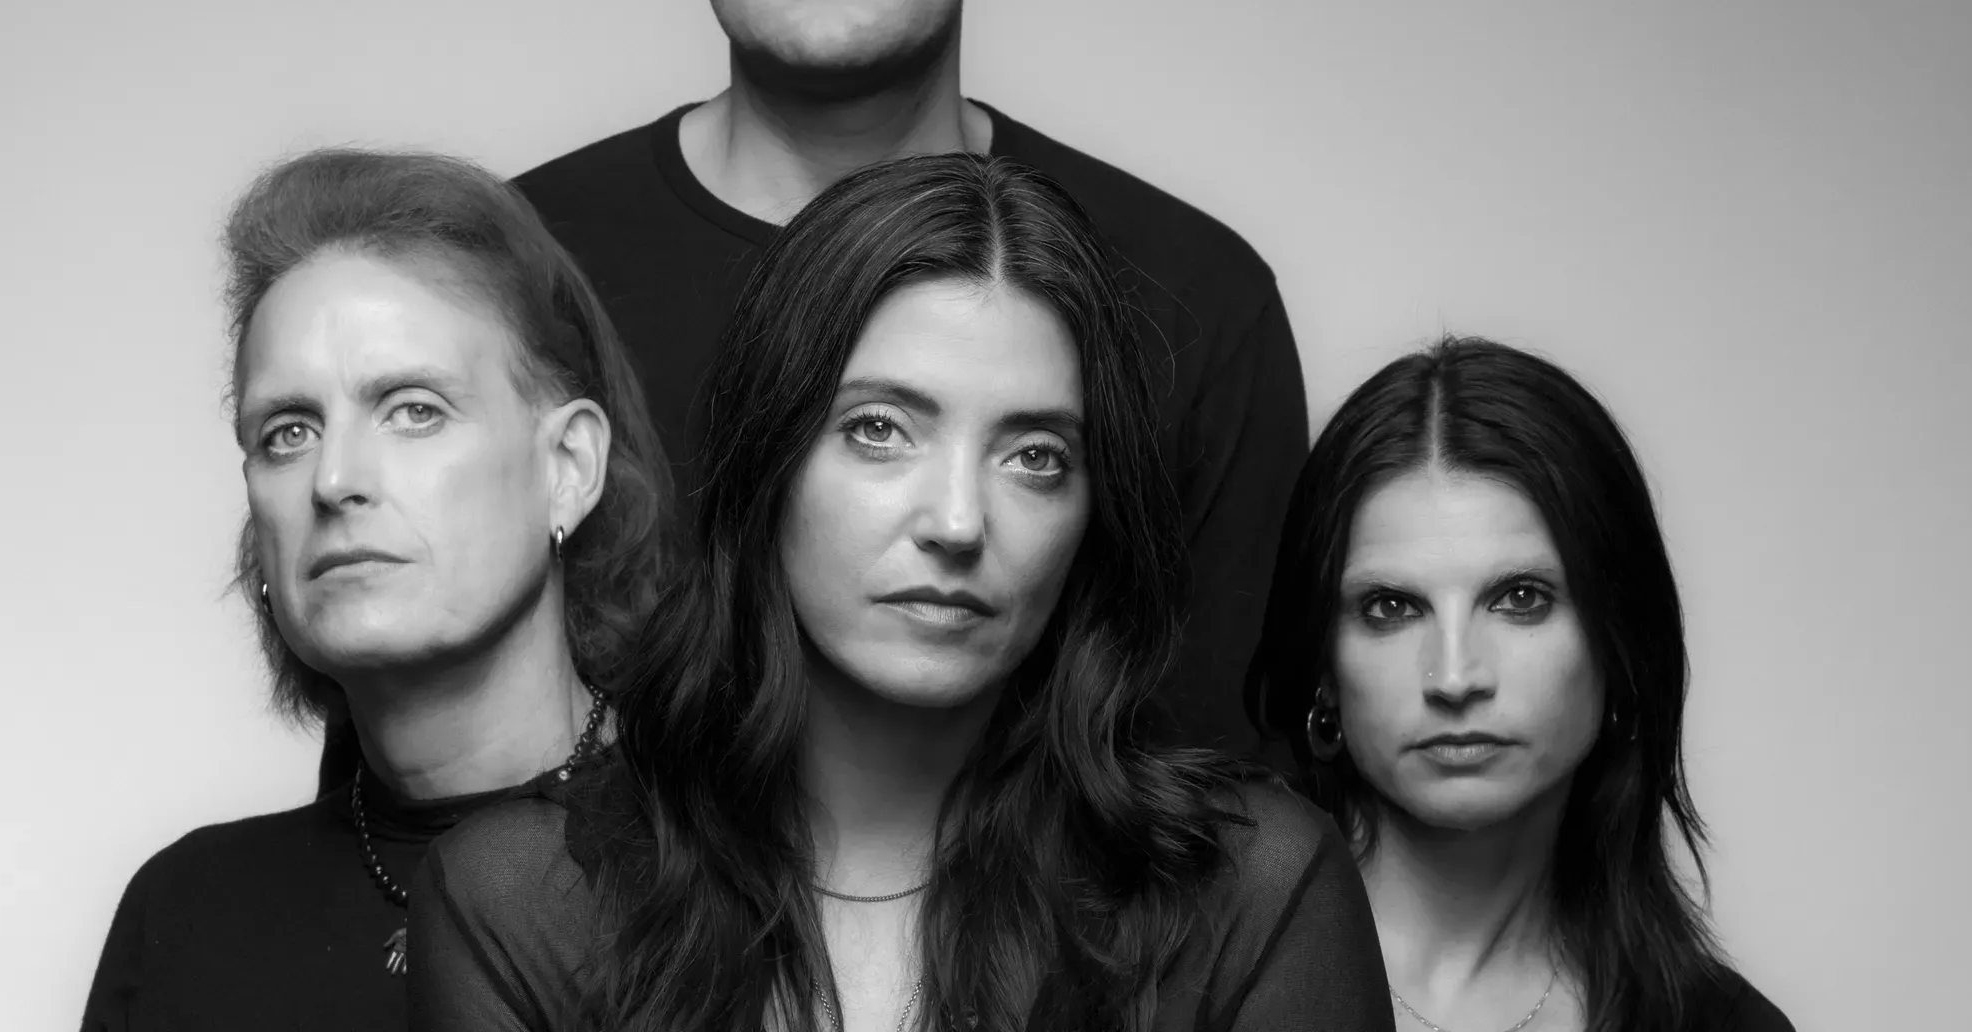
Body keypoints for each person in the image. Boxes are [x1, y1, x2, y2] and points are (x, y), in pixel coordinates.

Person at [326, 0, 1303, 786]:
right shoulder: (492, 280)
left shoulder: (1191, 295)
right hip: (547, 893)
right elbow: (382, 783)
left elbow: (1226, 815)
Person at [410, 154, 1390, 1032]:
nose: (957, 522)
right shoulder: (524, 899)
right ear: (768, 463)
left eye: (1035, 455)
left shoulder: (1252, 890)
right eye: (879, 430)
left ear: (1094, 513)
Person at [78, 151, 675, 1031]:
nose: (335, 480)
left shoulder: (736, 866)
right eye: (287, 432)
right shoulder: (187, 914)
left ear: (568, 466)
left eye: (413, 410)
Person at [1244, 338, 1795, 1032]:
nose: (1454, 678)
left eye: (1521, 599)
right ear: (1323, 665)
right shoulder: (1181, 954)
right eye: (1391, 607)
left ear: (1620, 643)